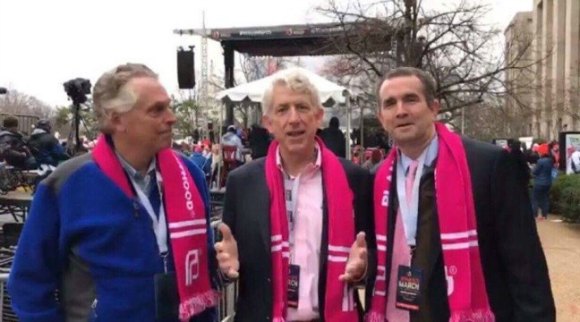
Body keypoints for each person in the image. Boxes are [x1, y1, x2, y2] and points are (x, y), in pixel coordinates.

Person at [8, 63, 218, 322]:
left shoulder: (190, 175)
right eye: (157, 110)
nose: (171, 117)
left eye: (169, 106)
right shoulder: (67, 184)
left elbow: (204, 276)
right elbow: (28, 283)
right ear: (116, 118)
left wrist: (225, 268)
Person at [367, 67, 554, 322]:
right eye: (390, 104)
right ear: (381, 117)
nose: (400, 111)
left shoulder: (489, 165)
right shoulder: (376, 179)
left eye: (410, 99)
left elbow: (526, 267)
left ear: (434, 107)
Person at [215, 68, 375, 322]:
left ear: (318, 117)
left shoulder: (355, 179)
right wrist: (225, 269)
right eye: (282, 110)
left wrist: (364, 269)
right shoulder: (242, 182)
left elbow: (372, 255)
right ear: (268, 123)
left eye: (302, 107)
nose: (293, 119)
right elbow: (224, 261)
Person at [532, 144, 554, 221]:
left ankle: (535, 215)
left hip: (539, 182)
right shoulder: (550, 160)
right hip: (548, 182)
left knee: (535, 199)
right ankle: (544, 216)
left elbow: (535, 171)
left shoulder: (540, 161)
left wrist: (532, 169)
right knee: (544, 198)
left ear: (541, 152)